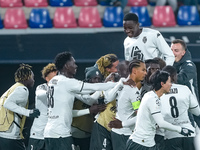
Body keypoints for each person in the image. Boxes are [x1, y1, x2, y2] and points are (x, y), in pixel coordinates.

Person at [43, 52, 117, 150]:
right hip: (60, 134)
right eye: (73, 63)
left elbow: (89, 99)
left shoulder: (53, 81)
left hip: (49, 133)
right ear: (66, 66)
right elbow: (92, 87)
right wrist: (117, 84)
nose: (76, 66)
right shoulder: (67, 82)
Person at [126, 70, 194, 150]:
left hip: (148, 144)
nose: (171, 85)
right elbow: (161, 123)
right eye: (169, 82)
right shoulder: (152, 99)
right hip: (139, 145)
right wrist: (180, 129)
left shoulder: (153, 97)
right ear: (162, 84)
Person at [108, 59, 147, 150]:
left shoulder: (122, 84)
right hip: (125, 134)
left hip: (117, 132)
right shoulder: (133, 91)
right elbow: (140, 116)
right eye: (143, 70)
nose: (145, 73)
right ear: (134, 71)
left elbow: (108, 98)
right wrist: (123, 124)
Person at [0, 64, 40, 150]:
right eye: (32, 77)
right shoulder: (22, 89)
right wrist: (29, 112)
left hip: (3, 134)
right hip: (10, 136)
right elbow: (8, 104)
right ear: (27, 77)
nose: (33, 80)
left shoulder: (11, 89)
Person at [160, 65, 200, 150]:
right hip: (188, 133)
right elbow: (197, 111)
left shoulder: (159, 91)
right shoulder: (185, 89)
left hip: (170, 134)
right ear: (175, 76)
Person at [27, 63, 57, 150]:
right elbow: (41, 95)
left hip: (53, 134)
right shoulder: (41, 87)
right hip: (38, 134)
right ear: (46, 78)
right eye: (53, 77)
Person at [171, 39, 200, 127]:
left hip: (192, 106)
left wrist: (163, 75)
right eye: (171, 50)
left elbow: (181, 79)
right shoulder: (170, 63)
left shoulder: (189, 65)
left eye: (176, 51)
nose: (172, 53)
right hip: (178, 105)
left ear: (183, 53)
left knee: (195, 132)